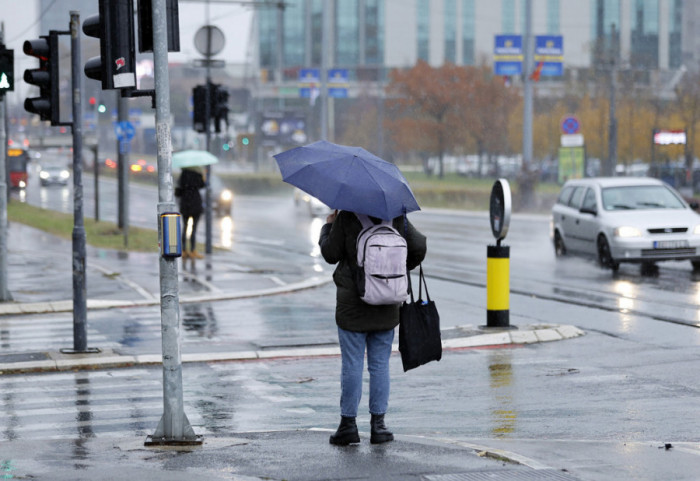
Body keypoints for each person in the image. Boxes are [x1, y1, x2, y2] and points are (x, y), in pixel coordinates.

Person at [319, 209, 426, 445]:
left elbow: (330, 253)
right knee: (380, 365)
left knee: (352, 364)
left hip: (353, 306)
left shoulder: (347, 215)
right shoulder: (396, 216)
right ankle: (379, 426)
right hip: (387, 302)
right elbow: (419, 247)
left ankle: (348, 425)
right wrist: (392, 270)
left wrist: (329, 226)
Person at [175, 167, 206, 259]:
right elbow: (202, 185)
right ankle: (193, 250)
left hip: (185, 204)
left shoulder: (183, 175)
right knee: (194, 229)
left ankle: (184, 250)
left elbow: (178, 192)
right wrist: (203, 177)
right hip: (196, 204)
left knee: (184, 228)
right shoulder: (198, 175)